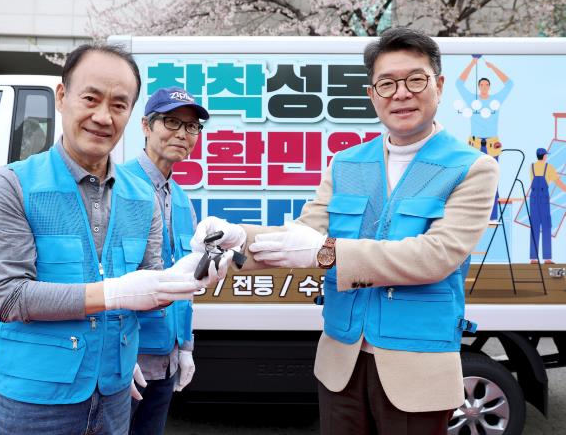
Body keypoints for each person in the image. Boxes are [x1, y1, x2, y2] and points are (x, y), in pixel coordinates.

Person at [193, 28, 499, 435]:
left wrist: (327, 252)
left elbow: (436, 256)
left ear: (439, 86)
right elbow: (306, 232)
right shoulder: (346, 163)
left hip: (417, 366)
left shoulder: (472, 167)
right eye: (387, 83)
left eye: (415, 80)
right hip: (341, 363)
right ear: (372, 94)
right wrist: (238, 238)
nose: (401, 93)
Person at [0, 44, 219, 435]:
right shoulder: (14, 184)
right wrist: (113, 294)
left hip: (115, 393)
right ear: (62, 97)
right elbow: (10, 297)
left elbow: (150, 285)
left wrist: (189, 277)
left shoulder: (142, 196)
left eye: (119, 105)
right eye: (91, 98)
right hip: (34, 399)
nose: (103, 116)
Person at [124, 87, 208, 434]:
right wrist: (115, 352)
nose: (182, 134)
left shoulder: (182, 199)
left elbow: (186, 281)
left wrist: (185, 347)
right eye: (171, 122)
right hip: (126, 358)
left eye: (191, 127)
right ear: (146, 126)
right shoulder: (119, 187)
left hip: (165, 358)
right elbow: (102, 275)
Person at [456, 56, 512, 220]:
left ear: (490, 86)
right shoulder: (472, 100)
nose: (484, 87)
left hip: (492, 144)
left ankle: (493, 216)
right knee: (472, 179)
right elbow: (459, 83)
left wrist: (493, 67)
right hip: (474, 144)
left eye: (487, 84)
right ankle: (473, 216)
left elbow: (509, 84)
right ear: (478, 86)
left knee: (492, 178)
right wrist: (472, 64)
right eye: (481, 84)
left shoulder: (496, 100)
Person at [529, 147, 566, 264]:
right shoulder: (549, 167)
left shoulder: (531, 167)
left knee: (534, 226)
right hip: (543, 199)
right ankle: (547, 258)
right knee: (546, 226)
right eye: (546, 155)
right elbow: (558, 182)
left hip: (533, 198)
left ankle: (533, 258)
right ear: (544, 156)